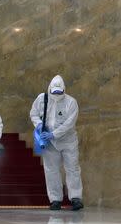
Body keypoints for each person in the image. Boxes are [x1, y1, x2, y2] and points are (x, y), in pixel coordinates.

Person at [29, 75, 83, 211]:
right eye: (54, 92)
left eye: (59, 92)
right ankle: (55, 200)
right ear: (50, 89)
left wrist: (54, 134)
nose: (57, 95)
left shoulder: (71, 102)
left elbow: (69, 123)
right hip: (49, 143)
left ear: (64, 90)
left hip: (68, 142)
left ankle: (75, 198)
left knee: (72, 169)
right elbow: (33, 114)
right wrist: (40, 125)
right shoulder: (42, 99)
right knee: (51, 171)